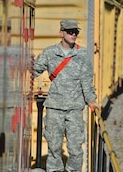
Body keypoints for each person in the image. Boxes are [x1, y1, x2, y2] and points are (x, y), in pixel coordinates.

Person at [32, 19, 99, 172]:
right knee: (54, 147)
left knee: (75, 148)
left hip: (74, 109)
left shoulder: (82, 54)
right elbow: (34, 71)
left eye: (76, 32)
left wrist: (92, 101)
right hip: (54, 108)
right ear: (61, 33)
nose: (73, 34)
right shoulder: (50, 53)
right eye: (69, 31)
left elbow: (87, 82)